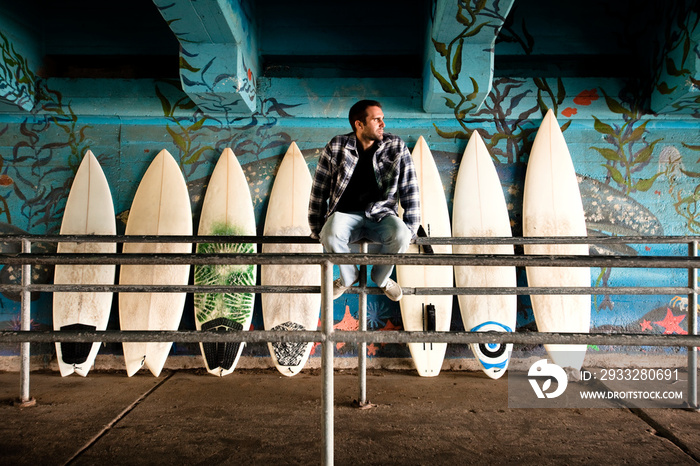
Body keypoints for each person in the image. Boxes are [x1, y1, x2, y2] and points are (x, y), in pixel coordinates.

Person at [308, 99, 420, 301]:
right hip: (345, 215)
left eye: (382, 119)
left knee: (402, 235)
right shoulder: (337, 146)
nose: (382, 124)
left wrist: (411, 229)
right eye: (376, 119)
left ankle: (382, 279)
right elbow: (319, 188)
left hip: (382, 215)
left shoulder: (395, 146)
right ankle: (347, 278)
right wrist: (317, 230)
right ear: (359, 124)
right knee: (330, 233)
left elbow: (410, 188)